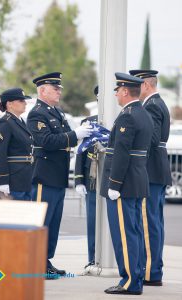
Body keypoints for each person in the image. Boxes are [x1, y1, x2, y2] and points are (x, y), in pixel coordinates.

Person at [26, 72, 92, 279]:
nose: (59, 91)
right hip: (44, 175)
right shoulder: (37, 113)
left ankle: (45, 260)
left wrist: (80, 136)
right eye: (55, 88)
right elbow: (46, 141)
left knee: (53, 222)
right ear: (43, 90)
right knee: (42, 221)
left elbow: (64, 138)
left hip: (58, 174)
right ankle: (36, 262)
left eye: (59, 88)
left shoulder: (57, 112)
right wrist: (75, 135)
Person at [100, 73, 153, 295]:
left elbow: (122, 154)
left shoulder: (127, 116)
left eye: (117, 91)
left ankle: (130, 281)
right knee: (134, 232)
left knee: (125, 234)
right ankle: (136, 277)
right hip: (136, 180)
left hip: (123, 185)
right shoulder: (143, 113)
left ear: (124, 92)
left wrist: (114, 184)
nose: (115, 95)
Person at [129, 69, 172, 286]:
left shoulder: (152, 106)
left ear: (145, 85)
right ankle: (154, 269)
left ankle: (151, 272)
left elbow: (152, 139)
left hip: (151, 170)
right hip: (157, 169)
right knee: (154, 222)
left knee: (148, 223)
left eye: (137, 85)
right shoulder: (157, 103)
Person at [0, 88, 34, 200]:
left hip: (24, 180)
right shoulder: (5, 123)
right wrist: (2, 181)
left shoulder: (19, 121)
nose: (25, 103)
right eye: (21, 101)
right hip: (12, 181)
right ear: (10, 104)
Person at [75, 85, 98, 271]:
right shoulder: (89, 122)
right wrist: (78, 180)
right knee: (92, 222)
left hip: (115, 181)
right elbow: (80, 153)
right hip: (92, 180)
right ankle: (93, 258)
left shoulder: (122, 119)